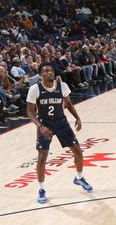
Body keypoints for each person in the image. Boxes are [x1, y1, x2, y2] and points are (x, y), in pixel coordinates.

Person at [26, 63, 93, 204]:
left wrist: (77, 118)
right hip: (45, 124)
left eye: (51, 70)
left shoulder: (62, 86)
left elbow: (68, 104)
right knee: (42, 157)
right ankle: (41, 189)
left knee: (78, 152)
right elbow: (30, 111)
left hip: (61, 123)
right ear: (40, 75)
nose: (49, 73)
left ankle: (79, 178)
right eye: (46, 71)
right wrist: (40, 126)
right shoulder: (35, 89)